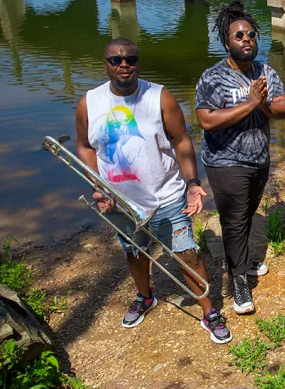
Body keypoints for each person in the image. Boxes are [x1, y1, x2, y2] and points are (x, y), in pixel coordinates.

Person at [75, 37, 232, 344]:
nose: (124, 65)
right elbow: (83, 146)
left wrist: (193, 184)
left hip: (166, 196)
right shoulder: (89, 103)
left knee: (187, 253)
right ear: (105, 64)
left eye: (131, 59)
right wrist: (97, 183)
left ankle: (209, 311)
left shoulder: (159, 97)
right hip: (120, 201)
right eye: (116, 60)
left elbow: (182, 141)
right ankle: (146, 296)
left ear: (139, 62)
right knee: (135, 252)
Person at [195, 0, 285, 315]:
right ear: (227, 42)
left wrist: (261, 103)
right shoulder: (213, 77)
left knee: (246, 215)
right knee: (234, 220)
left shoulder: (265, 71)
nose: (247, 39)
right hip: (224, 162)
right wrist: (250, 104)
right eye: (239, 35)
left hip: (258, 160)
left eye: (251, 34)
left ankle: (245, 261)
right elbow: (206, 120)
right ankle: (238, 281)